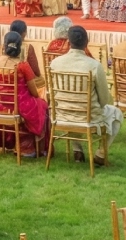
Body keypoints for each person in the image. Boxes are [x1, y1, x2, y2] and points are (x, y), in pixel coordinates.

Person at [49, 25, 122, 163]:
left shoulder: (54, 63)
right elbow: (104, 99)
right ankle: (100, 153)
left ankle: (78, 150)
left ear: (68, 43)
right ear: (86, 43)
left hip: (61, 114)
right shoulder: (94, 65)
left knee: (73, 107)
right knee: (116, 113)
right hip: (86, 116)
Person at [0, 32, 49, 157]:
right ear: (20, 48)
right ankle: (35, 149)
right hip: (19, 106)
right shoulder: (22, 66)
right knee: (43, 104)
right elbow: (34, 92)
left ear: (4, 45)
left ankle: (17, 144)